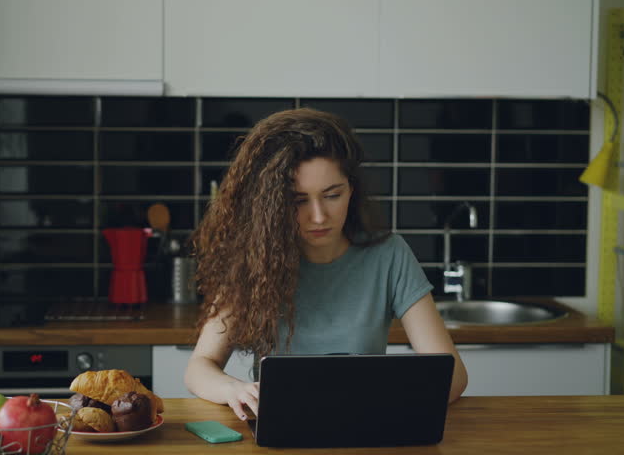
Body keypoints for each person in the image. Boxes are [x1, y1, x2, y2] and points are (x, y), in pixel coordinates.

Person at [184, 108, 468, 421]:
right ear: (271, 205)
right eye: (298, 201)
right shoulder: (254, 259)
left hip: (366, 426)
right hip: (280, 427)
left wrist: (386, 400)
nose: (318, 216)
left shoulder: (389, 255)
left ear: (351, 190)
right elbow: (200, 367)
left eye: (332, 195)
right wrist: (232, 390)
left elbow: (452, 377)